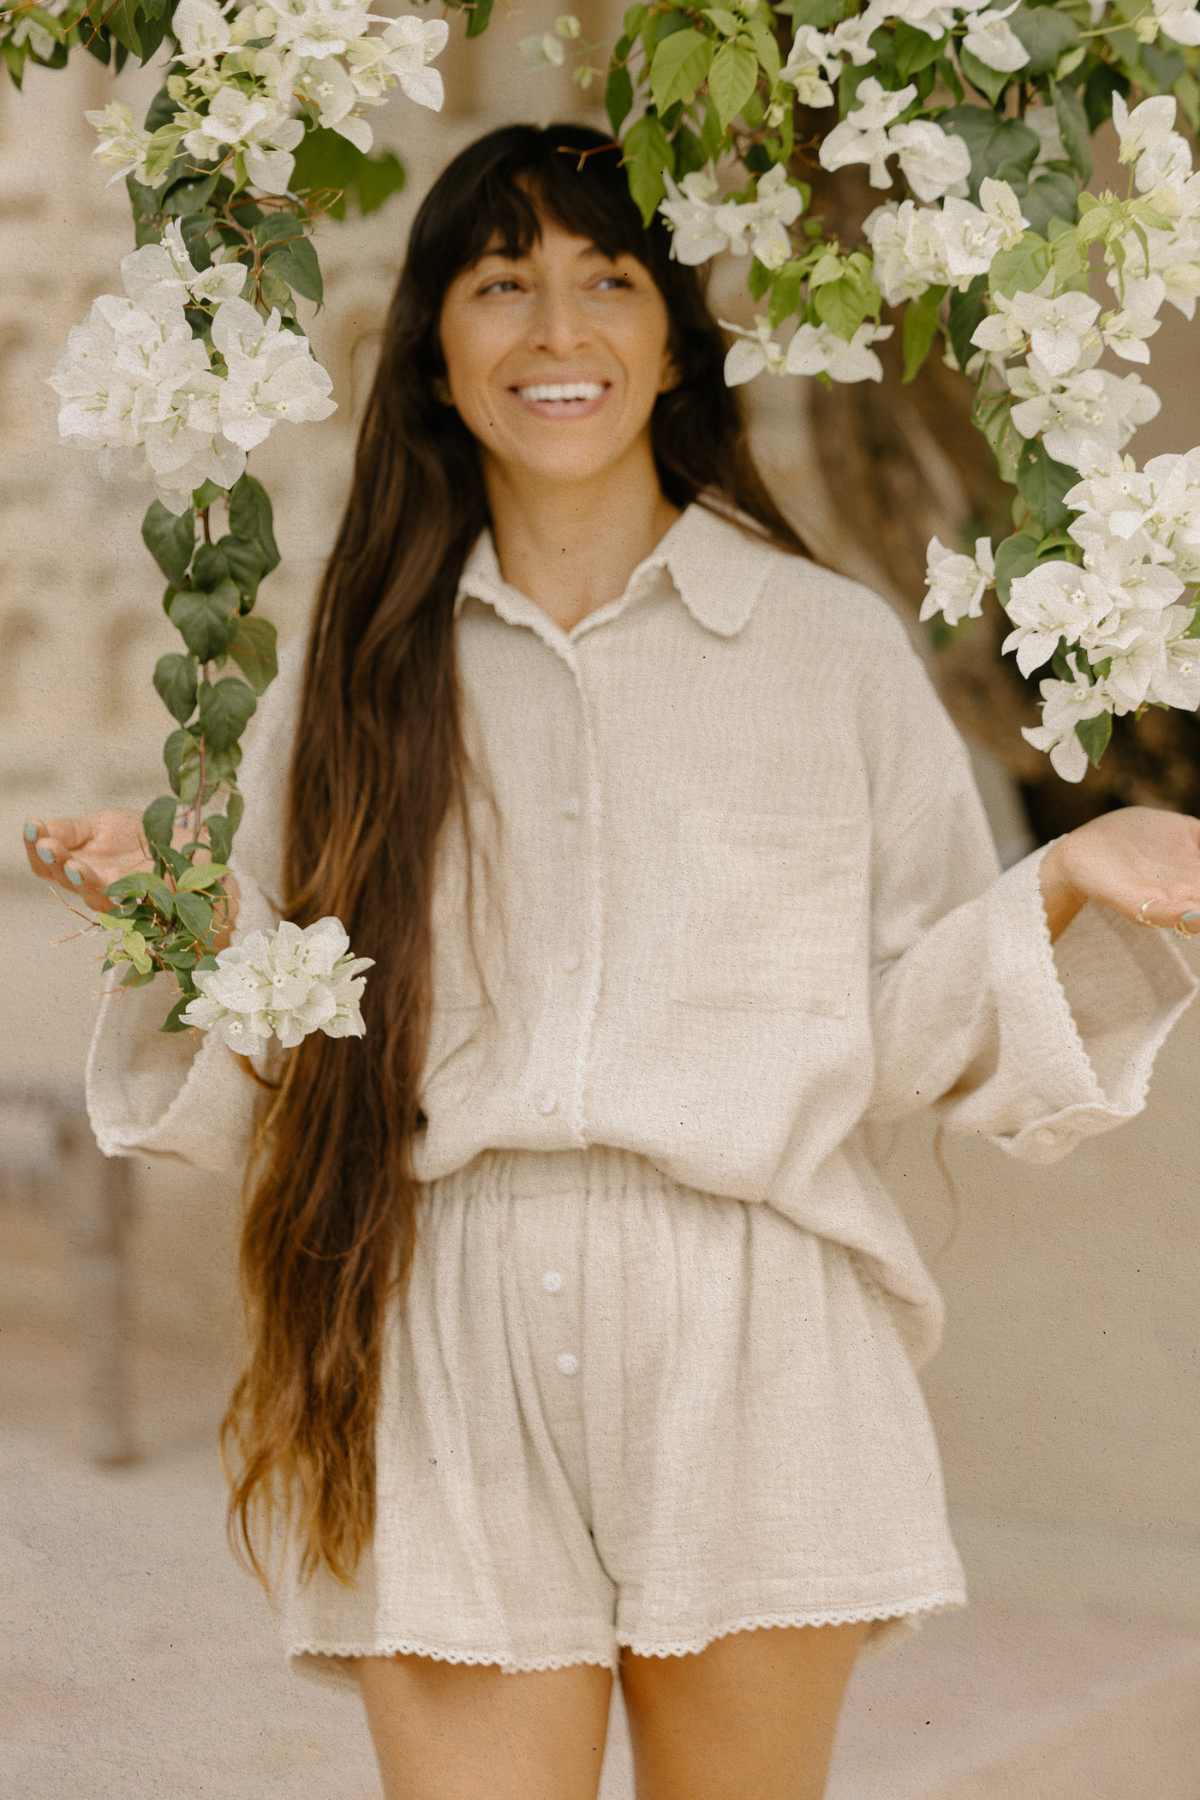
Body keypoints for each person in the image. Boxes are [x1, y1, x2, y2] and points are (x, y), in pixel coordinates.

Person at [23, 121, 1200, 1800]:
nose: (556, 331)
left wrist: (1071, 877)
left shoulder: (826, 649)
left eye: (607, 279)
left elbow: (904, 1025)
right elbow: (302, 1023)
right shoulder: (361, 665)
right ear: (436, 347)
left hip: (758, 1334)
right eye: (503, 284)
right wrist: (196, 921)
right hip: (442, 1332)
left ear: (673, 337)